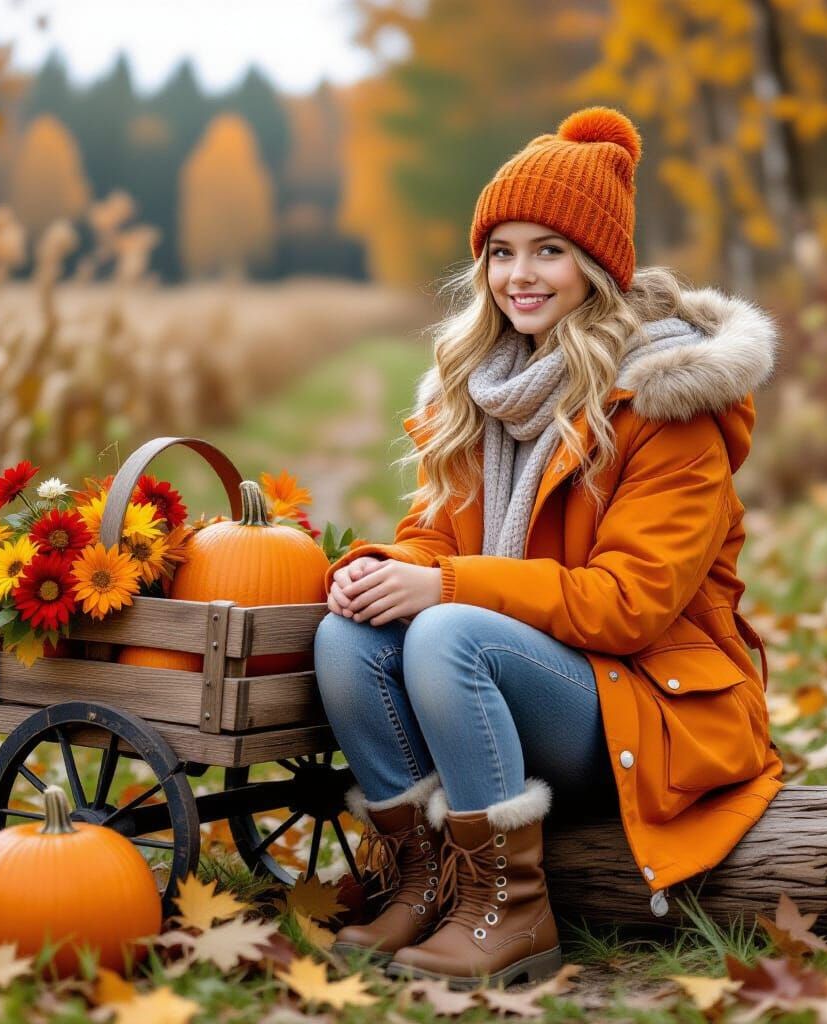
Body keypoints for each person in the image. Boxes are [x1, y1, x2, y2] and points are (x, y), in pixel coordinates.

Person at [313, 105, 784, 990]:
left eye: (548, 250)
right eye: (501, 251)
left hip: (644, 709)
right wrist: (390, 573)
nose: (517, 276)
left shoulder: (665, 404)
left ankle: (511, 912)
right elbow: (432, 536)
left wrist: (446, 586)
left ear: (598, 266)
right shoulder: (478, 389)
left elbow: (629, 605)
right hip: (526, 687)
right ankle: (425, 881)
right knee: (349, 637)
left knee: (450, 629)